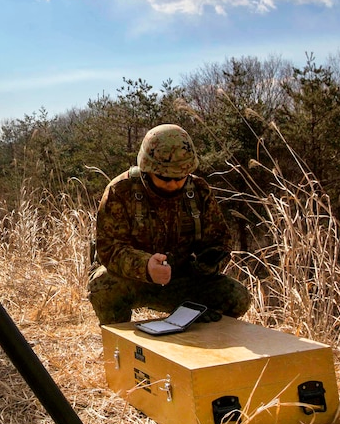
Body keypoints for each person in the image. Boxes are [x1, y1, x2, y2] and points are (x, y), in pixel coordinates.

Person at [88, 124, 251, 325]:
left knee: (236, 297)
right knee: (103, 287)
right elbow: (109, 249)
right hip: (133, 280)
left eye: (180, 178)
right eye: (165, 178)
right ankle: (121, 347)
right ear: (147, 169)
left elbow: (220, 240)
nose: (174, 184)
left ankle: (193, 337)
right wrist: (146, 266)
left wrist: (208, 263)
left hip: (182, 281)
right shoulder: (120, 191)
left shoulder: (199, 191)